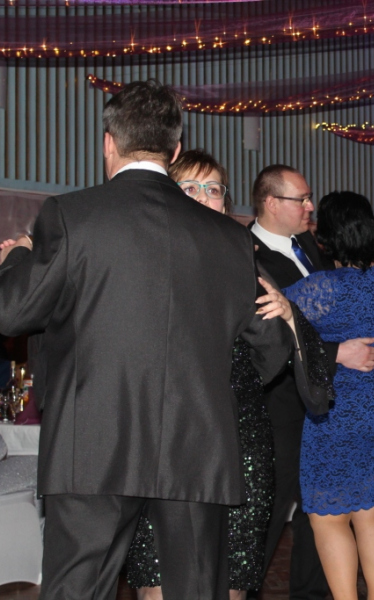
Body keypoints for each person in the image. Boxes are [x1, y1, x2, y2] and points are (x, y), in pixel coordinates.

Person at [0, 80, 321, 600]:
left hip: (93, 446)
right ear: (174, 150)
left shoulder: (71, 215)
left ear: (108, 142)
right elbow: (269, 350)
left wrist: (17, 256)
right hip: (197, 446)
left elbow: (13, 312)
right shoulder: (228, 237)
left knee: (78, 591)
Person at [125, 150, 284, 600]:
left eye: (212, 189)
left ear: (224, 202)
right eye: (190, 187)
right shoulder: (138, 256)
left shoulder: (243, 259)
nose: (202, 196)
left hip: (238, 433)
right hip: (161, 439)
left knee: (233, 576)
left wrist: (288, 316)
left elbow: (272, 357)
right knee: (158, 575)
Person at [250, 164, 374, 600]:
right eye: (301, 199)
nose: (310, 207)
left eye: (309, 198)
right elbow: (266, 336)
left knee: (321, 510)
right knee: (269, 510)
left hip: (327, 404)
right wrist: (336, 353)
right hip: (282, 404)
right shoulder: (246, 255)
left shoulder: (311, 246)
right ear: (271, 203)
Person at [282, 191, 374, 600]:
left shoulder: (320, 289)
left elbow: (267, 318)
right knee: (373, 512)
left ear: (324, 239)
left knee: (329, 518)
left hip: (341, 409)